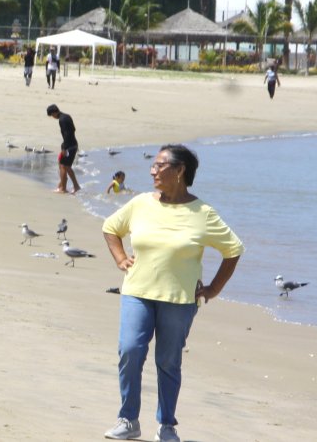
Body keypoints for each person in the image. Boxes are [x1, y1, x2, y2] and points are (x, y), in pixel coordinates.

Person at [101, 145, 244, 442]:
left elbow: (233, 250)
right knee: (130, 350)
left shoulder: (203, 213)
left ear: (180, 171)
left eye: (160, 165)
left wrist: (214, 288)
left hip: (179, 300)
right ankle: (128, 420)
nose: (153, 170)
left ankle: (166, 425)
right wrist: (119, 258)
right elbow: (111, 228)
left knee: (168, 361)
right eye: (153, 165)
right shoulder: (140, 203)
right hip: (137, 292)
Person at [46, 104, 81, 194]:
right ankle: (76, 186)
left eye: (51, 115)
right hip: (73, 144)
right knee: (67, 167)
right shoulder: (67, 116)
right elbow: (73, 129)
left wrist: (64, 148)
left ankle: (63, 188)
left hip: (69, 146)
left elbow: (66, 134)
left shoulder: (62, 120)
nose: (52, 117)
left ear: (54, 112)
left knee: (62, 166)